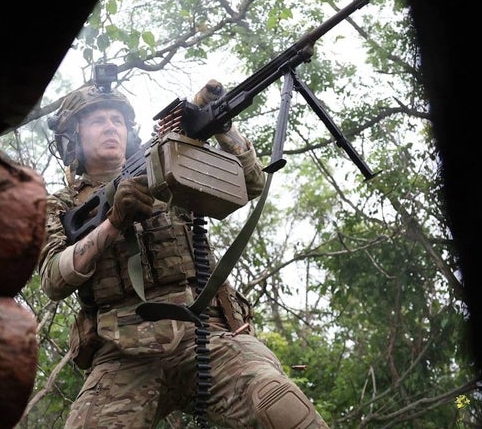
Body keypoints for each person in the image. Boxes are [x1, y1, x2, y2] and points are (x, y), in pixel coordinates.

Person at [38, 75, 330, 429]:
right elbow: (54, 278)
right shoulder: (60, 206)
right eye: (98, 120)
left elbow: (251, 183)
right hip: (123, 350)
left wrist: (218, 125)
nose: (110, 127)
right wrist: (113, 223)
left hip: (205, 331)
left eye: (116, 120)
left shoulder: (165, 161)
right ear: (73, 137)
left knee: (280, 408)